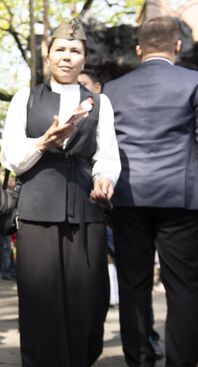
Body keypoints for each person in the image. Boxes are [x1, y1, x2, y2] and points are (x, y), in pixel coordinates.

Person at [0, 19, 121, 367]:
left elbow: (107, 156)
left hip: (87, 213)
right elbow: (12, 156)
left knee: (89, 301)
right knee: (40, 303)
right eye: (61, 50)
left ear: (84, 58)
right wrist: (42, 142)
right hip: (37, 212)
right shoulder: (26, 98)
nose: (67, 57)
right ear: (47, 53)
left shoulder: (100, 103)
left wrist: (104, 179)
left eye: (75, 51)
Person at [103, 16, 198, 367]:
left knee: (133, 286)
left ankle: (140, 359)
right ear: (177, 46)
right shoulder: (194, 82)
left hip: (128, 197)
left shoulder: (113, 90)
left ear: (139, 49)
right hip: (182, 199)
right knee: (184, 287)